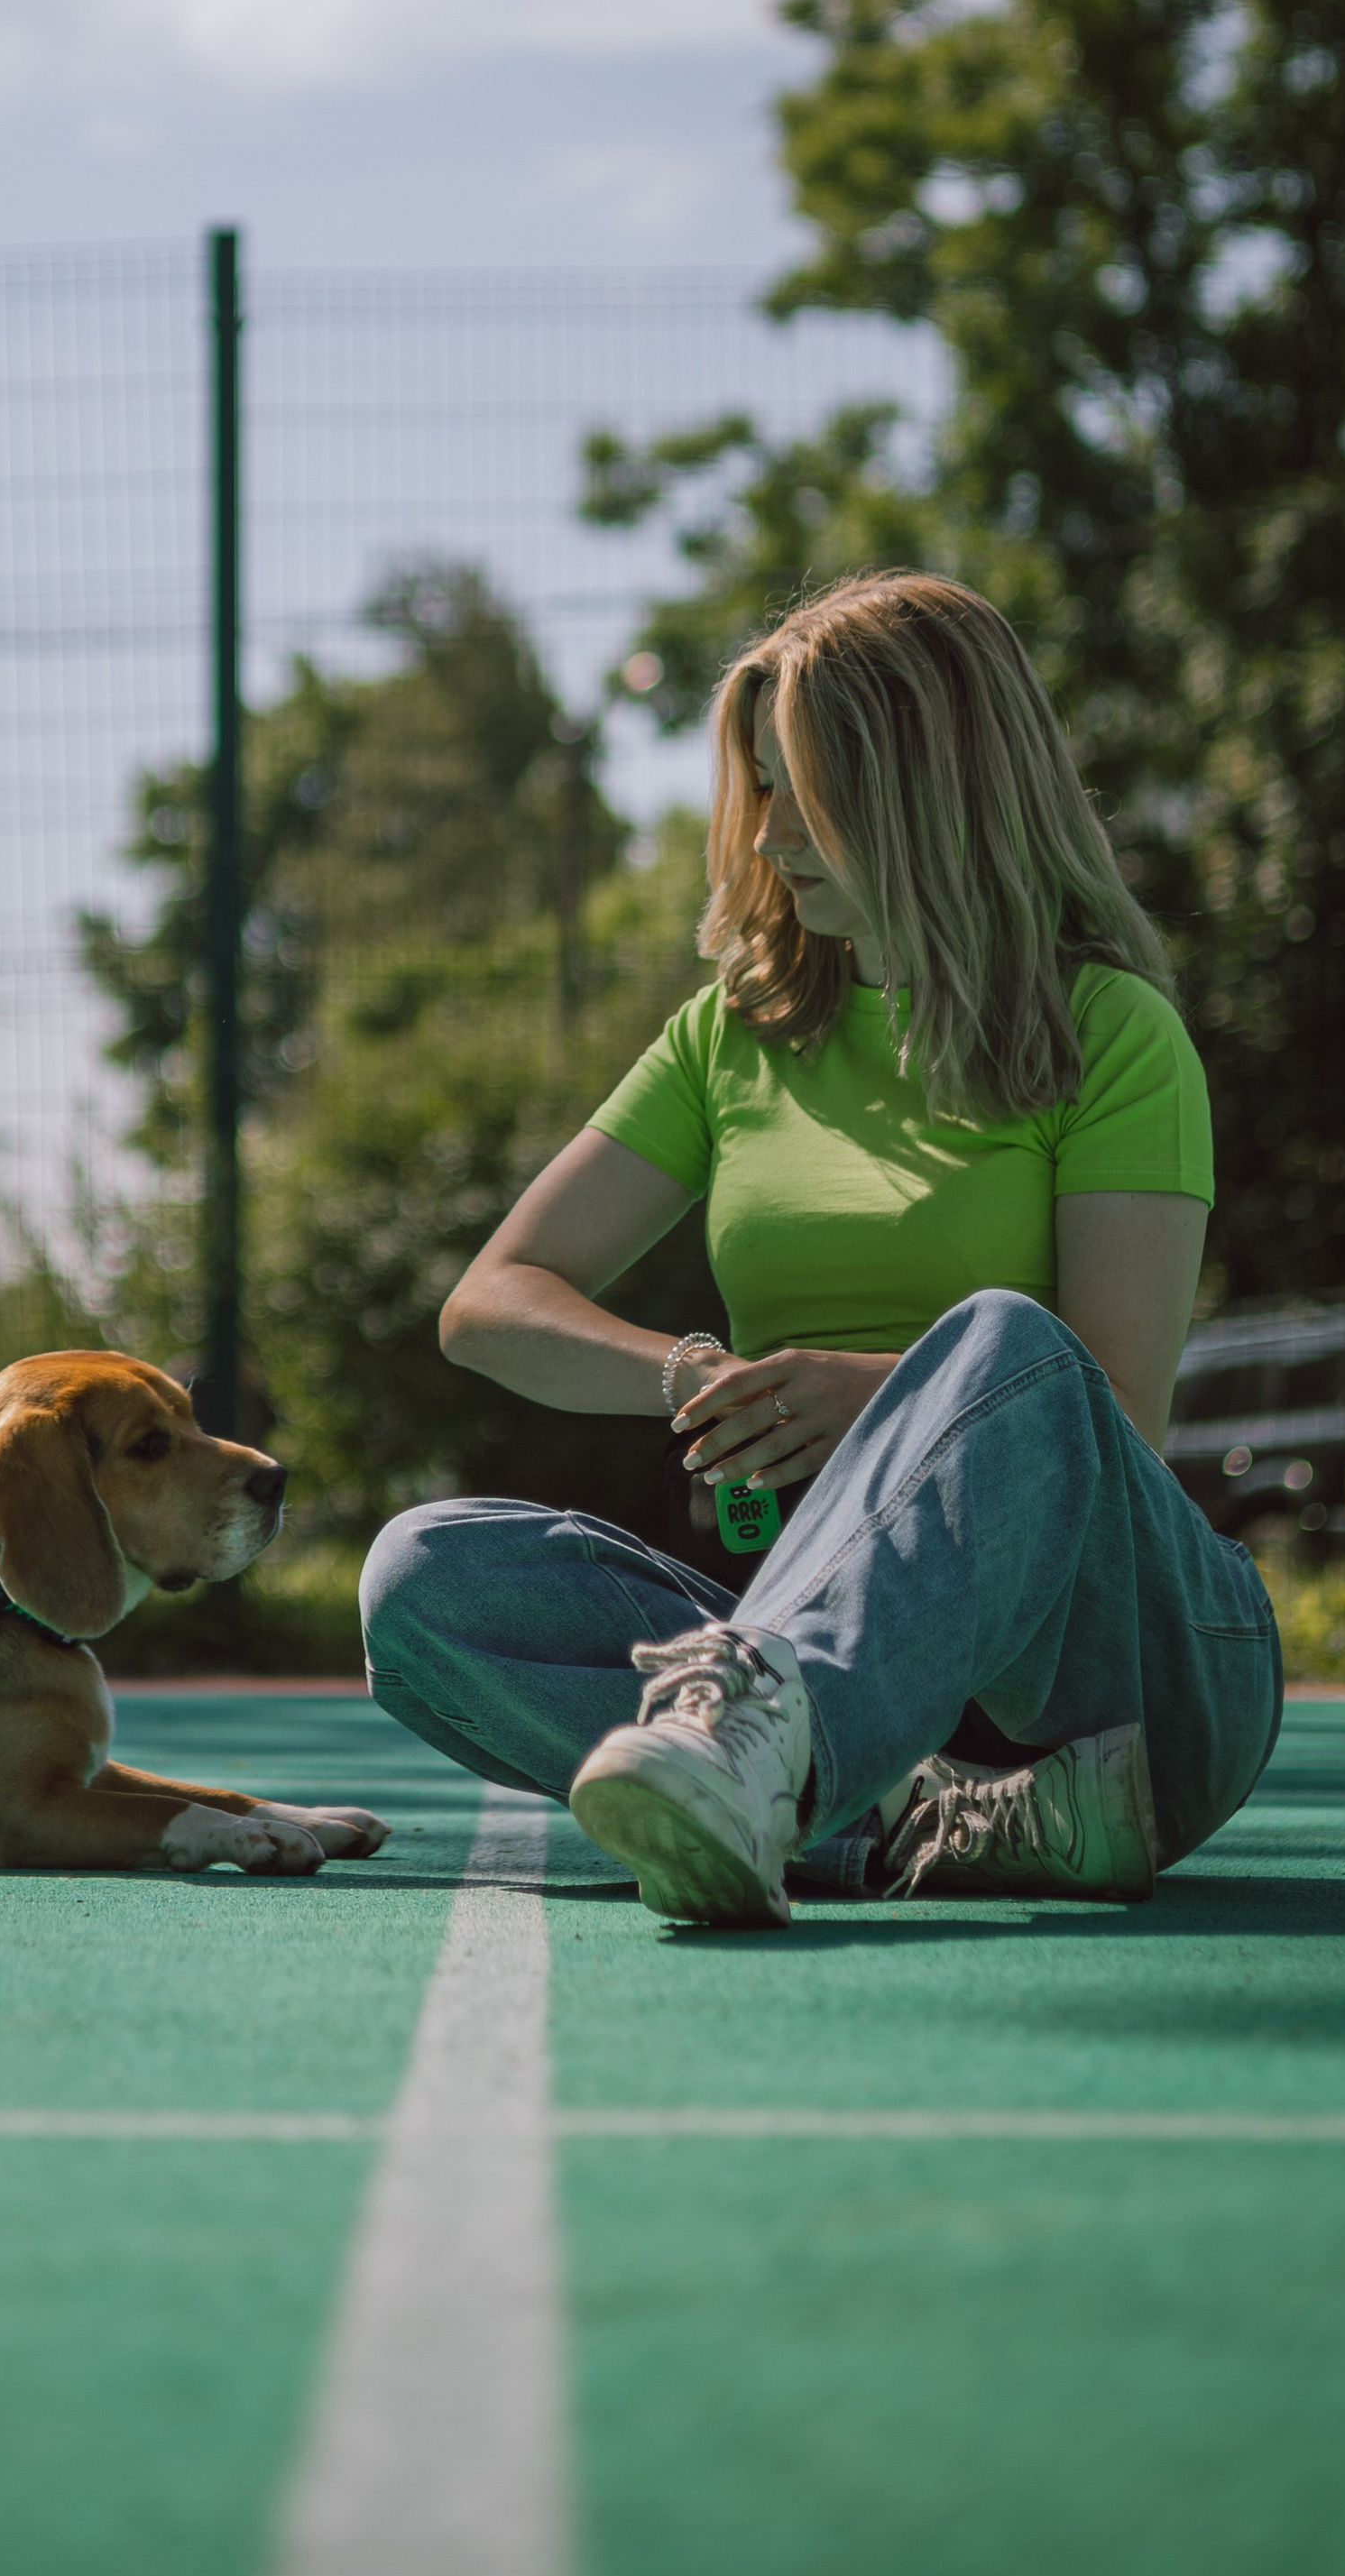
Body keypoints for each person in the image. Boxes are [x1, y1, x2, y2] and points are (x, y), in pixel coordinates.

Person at [360, 571, 1281, 1929]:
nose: (768, 833)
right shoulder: (732, 1032)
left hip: (1128, 1698)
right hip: (841, 1674)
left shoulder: (1117, 1034)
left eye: (799, 790)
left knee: (1009, 1344)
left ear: (922, 790)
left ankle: (772, 1758)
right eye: (760, 785)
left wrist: (876, 1394)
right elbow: (490, 1302)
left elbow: (1117, 1420)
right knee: (424, 1578)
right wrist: (686, 1372)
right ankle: (900, 1821)